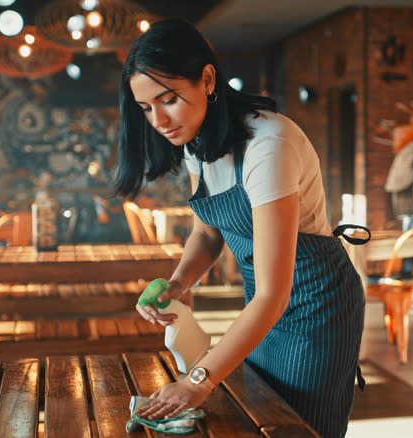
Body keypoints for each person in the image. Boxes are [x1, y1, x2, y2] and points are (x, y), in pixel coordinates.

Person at [114, 18, 365, 438]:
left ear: (207, 79)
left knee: (299, 427)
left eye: (168, 99)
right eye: (145, 108)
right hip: (263, 303)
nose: (158, 119)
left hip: (317, 305)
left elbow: (274, 292)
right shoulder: (198, 142)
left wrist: (198, 382)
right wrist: (177, 285)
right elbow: (208, 233)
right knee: (263, 417)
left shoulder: (268, 144)